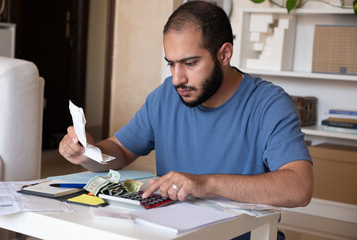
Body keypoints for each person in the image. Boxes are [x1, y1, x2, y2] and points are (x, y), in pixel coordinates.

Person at [59, 1, 313, 239]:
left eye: (190, 63)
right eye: (171, 64)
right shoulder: (165, 96)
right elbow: (121, 149)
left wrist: (205, 183)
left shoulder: (269, 103)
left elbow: (300, 188)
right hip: (173, 233)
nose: (177, 77)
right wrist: (89, 153)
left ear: (224, 54)